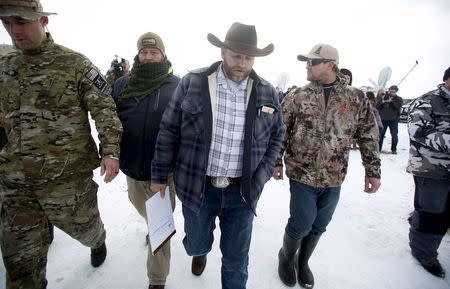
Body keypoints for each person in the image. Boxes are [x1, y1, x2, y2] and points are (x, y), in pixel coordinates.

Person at [150, 22, 285, 289]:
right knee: (196, 243)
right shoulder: (193, 83)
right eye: (237, 55)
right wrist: (159, 176)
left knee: (236, 261)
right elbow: (168, 130)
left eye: (249, 58)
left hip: (242, 193)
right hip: (197, 188)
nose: (243, 64)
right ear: (223, 51)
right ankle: (200, 252)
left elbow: (277, 135)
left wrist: (264, 172)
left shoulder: (267, 91)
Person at [0, 1, 123, 288]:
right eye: (7, 23)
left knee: (86, 229)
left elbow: (105, 108)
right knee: (20, 269)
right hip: (15, 184)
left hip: (66, 180)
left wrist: (111, 151)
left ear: (43, 21)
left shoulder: (75, 64)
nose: (14, 30)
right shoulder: (3, 67)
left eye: (21, 21)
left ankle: (98, 240)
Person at [273, 44, 381, 288]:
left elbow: (368, 134)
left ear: (330, 64)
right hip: (301, 172)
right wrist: (276, 162)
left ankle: (303, 261)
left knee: (320, 223)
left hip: (333, 176)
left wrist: (372, 170)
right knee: (301, 221)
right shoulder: (297, 95)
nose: (307, 66)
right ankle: (287, 256)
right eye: (307, 61)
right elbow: (280, 130)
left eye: (313, 61)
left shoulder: (355, 98)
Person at [111, 32, 180, 289]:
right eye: (144, 52)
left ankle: (157, 280)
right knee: (144, 212)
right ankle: (153, 225)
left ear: (163, 55)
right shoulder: (122, 85)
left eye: (154, 53)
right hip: (132, 169)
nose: (148, 57)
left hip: (162, 174)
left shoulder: (177, 85)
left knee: (161, 228)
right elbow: (109, 122)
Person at [406, 66, 450, 278]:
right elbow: (418, 132)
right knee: (432, 213)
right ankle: (424, 253)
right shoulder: (427, 101)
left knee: (445, 211)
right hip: (432, 169)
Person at [376, 84, 403, 154]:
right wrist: (382, 101)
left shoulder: (399, 99)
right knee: (380, 135)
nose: (391, 92)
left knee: (394, 135)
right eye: (390, 91)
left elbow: (397, 107)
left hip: (393, 120)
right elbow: (377, 107)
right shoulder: (384, 97)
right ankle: (378, 149)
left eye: (393, 91)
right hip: (383, 120)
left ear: (396, 92)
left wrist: (391, 102)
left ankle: (393, 149)